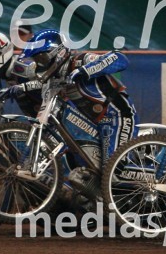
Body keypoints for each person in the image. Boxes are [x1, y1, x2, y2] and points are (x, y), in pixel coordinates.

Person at [18, 29, 138, 169]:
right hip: (92, 123)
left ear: (58, 52)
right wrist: (18, 88)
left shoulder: (80, 60)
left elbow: (120, 59)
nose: (39, 65)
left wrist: (86, 70)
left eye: (41, 59)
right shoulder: (54, 78)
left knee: (114, 170)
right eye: (36, 61)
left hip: (117, 117)